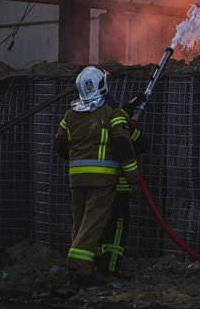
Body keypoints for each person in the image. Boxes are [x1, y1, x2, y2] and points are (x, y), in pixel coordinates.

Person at [54, 66, 139, 289]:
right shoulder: (111, 112)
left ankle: (82, 267)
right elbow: (123, 146)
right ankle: (79, 268)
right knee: (93, 223)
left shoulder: (70, 114)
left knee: (80, 224)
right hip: (102, 181)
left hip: (76, 180)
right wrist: (132, 177)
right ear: (102, 85)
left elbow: (60, 146)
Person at [95, 94, 148, 280]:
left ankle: (94, 263)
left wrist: (127, 112)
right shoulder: (120, 125)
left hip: (96, 186)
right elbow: (141, 144)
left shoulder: (91, 122)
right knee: (117, 225)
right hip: (118, 186)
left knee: (96, 224)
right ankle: (110, 268)